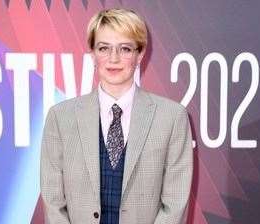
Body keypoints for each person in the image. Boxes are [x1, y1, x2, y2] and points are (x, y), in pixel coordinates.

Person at [40, 8, 193, 224]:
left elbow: (175, 202)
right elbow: (52, 199)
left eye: (125, 49)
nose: (114, 59)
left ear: (140, 54)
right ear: (92, 54)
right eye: (104, 48)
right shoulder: (60, 118)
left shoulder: (172, 117)